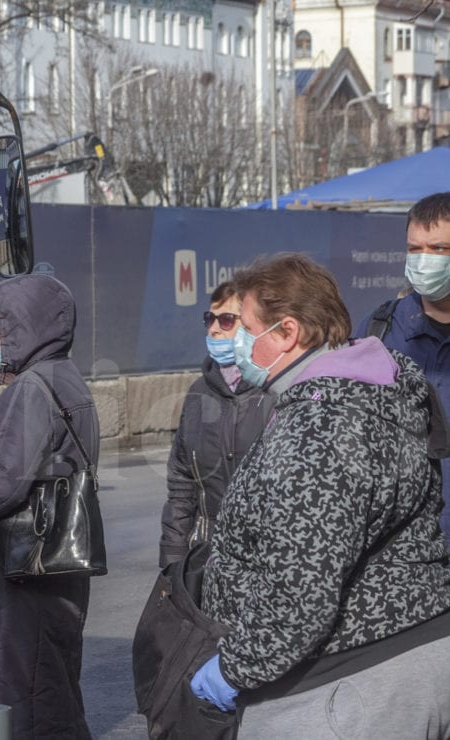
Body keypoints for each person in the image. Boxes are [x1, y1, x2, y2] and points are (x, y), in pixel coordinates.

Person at [192, 253, 450, 738]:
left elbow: (299, 592)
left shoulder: (322, 427)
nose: (235, 341)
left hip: (343, 689)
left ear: (287, 332)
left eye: (245, 327)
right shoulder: (361, 394)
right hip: (395, 665)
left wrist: (234, 669)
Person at [0, 274, 98, 740]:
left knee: (4, 684)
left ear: (22, 329)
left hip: (14, 570)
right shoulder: (65, 378)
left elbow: (2, 487)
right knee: (48, 684)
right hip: (51, 566)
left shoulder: (31, 387)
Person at [357, 191, 450, 544]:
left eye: (439, 249)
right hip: (400, 553)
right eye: (415, 249)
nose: (425, 260)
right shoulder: (377, 330)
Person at [160, 281, 275, 567]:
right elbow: (181, 482)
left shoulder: (275, 392)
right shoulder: (199, 393)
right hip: (208, 557)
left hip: (265, 559)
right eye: (209, 319)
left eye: (226, 320)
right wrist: (173, 558)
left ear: (253, 326)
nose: (213, 328)